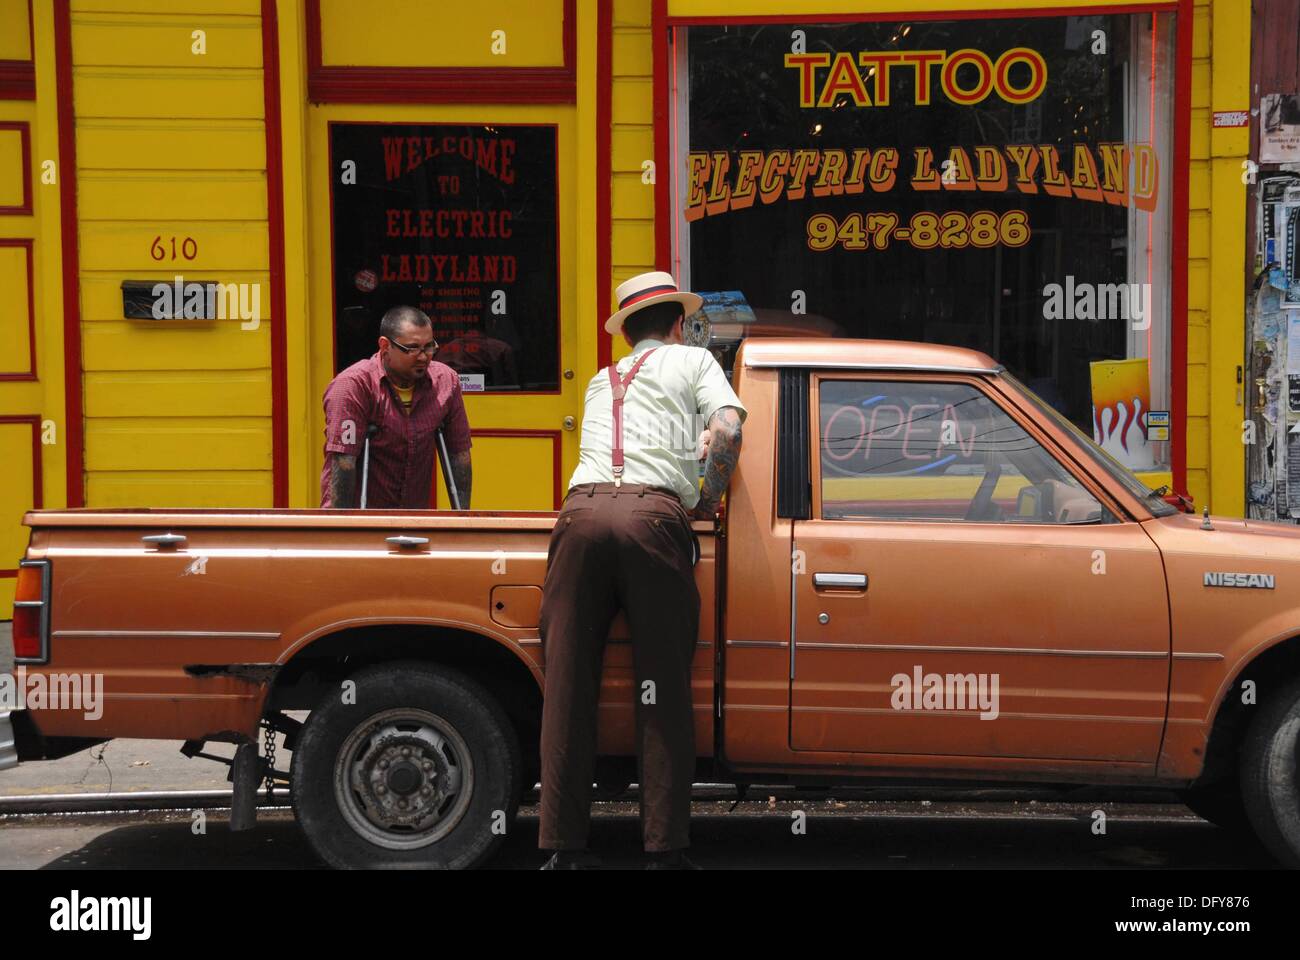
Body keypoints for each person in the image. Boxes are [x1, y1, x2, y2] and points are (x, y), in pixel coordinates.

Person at [538, 270, 746, 869]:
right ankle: (663, 849)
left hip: (578, 519)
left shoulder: (602, 382)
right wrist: (706, 498)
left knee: (569, 687)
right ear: (678, 325)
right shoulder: (694, 362)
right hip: (654, 520)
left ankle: (560, 849)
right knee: (661, 688)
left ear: (627, 332)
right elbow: (728, 430)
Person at [320, 305, 472, 509]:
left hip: (414, 517)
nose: (424, 356)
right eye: (412, 348)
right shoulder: (353, 386)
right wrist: (343, 531)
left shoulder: (446, 381)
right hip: (363, 518)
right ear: (385, 346)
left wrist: (461, 520)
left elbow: (459, 454)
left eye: (429, 346)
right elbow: (344, 463)